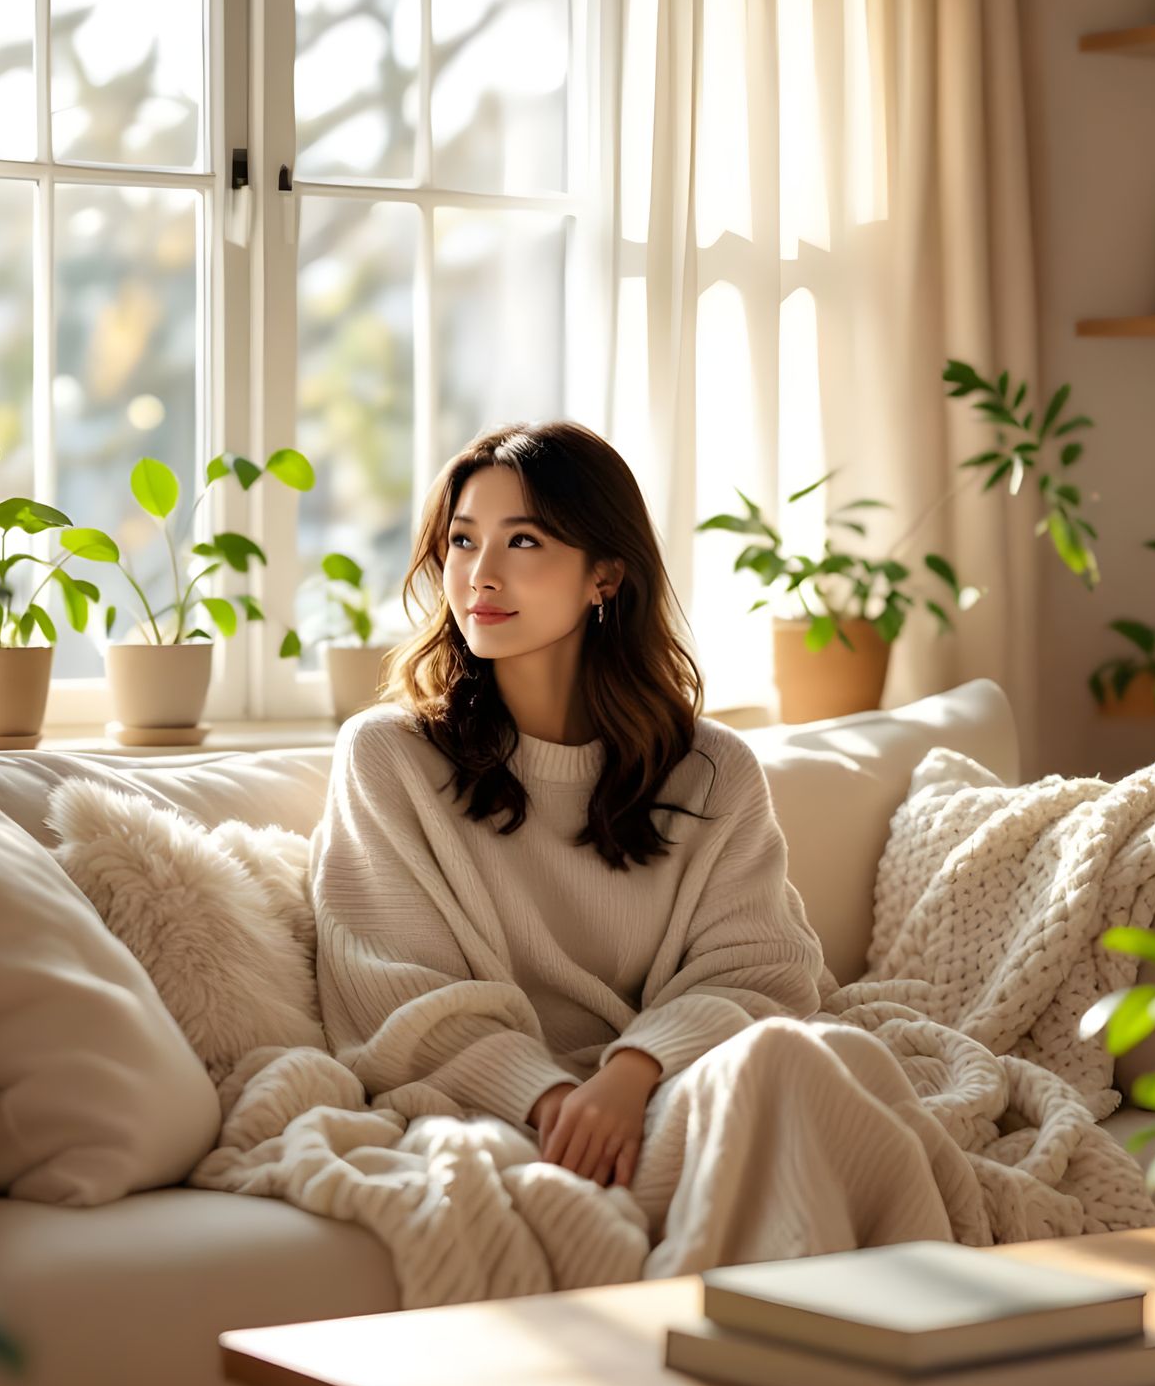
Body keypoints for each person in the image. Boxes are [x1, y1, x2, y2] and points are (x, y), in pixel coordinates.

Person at [309, 420, 837, 1210]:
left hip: (683, 1084)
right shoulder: (388, 757)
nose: (479, 576)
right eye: (461, 540)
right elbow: (392, 993)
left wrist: (633, 1073)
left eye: (523, 543)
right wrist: (554, 1101)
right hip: (508, 1114)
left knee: (832, 1076)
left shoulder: (712, 770)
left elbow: (763, 974)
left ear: (605, 576)